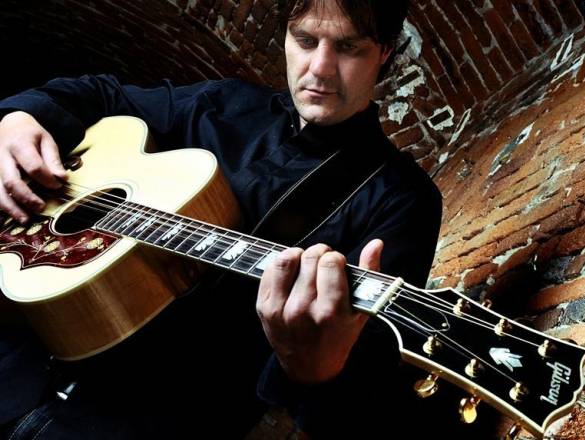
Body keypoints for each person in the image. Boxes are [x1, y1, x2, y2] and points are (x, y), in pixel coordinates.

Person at [0, 0, 453, 438]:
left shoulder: (402, 200)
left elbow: (356, 407)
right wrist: (18, 117)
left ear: (385, 51)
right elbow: (100, 94)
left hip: (143, 418)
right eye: (305, 40)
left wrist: (316, 369)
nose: (319, 68)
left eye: (348, 47)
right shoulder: (226, 101)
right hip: (15, 361)